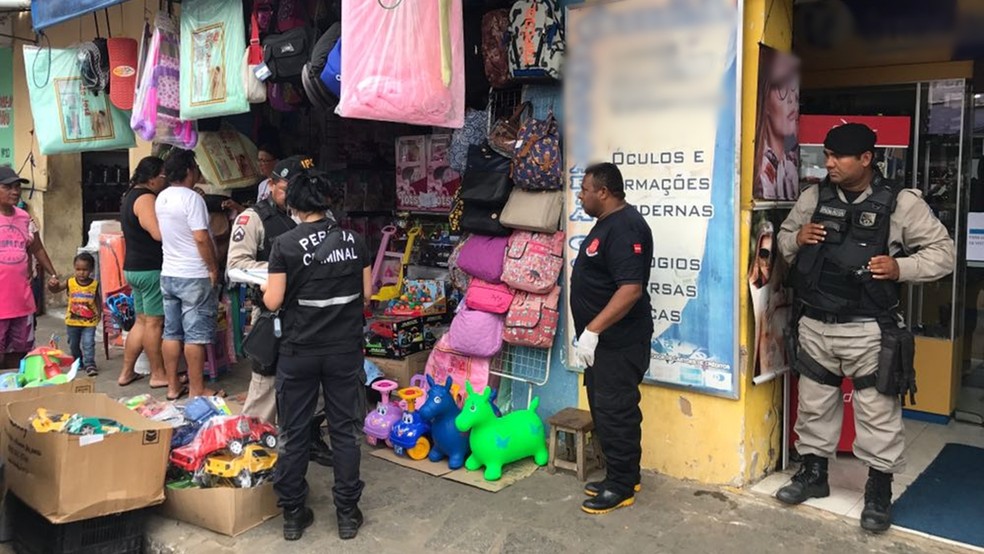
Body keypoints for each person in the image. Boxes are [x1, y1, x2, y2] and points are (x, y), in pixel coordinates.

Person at [775, 123, 955, 533]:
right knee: (814, 405)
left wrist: (900, 267)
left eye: (838, 156)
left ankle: (878, 492)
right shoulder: (813, 197)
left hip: (868, 328)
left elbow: (943, 254)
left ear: (867, 159)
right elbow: (783, 241)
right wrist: (798, 237)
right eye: (827, 154)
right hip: (816, 323)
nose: (829, 163)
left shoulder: (901, 204)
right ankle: (813, 475)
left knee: (878, 414)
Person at [263, 171, 371, 541]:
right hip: (344, 351)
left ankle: (293, 514)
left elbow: (273, 301)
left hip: (299, 352)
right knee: (344, 432)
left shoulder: (285, 244)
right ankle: (347, 513)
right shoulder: (356, 242)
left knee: (293, 432)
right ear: (328, 202)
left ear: (292, 204)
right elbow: (367, 294)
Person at [228, 155, 335, 467]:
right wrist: (279, 270)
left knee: (314, 386)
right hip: (273, 315)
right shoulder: (253, 219)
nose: (293, 194)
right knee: (266, 385)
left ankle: (310, 439)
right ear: (271, 184)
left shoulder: (317, 215)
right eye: (287, 187)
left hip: (314, 314)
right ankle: (249, 449)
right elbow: (235, 266)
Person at [569, 162, 654, 515]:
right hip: (604, 345)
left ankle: (621, 488)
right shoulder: (607, 225)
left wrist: (592, 330)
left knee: (616, 411)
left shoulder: (626, 227)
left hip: (619, 343)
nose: (581, 195)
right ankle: (623, 475)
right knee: (606, 410)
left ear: (603, 192)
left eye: (585, 189)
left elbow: (631, 289)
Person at [156, 150, 223, 400]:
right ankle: (197, 389)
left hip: (169, 272)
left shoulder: (161, 197)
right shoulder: (192, 198)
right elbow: (200, 237)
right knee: (195, 335)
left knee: (171, 332)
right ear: (187, 171)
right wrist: (213, 268)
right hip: (193, 274)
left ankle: (173, 387)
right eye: (194, 166)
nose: (196, 171)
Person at [118, 157, 169, 388]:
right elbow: (157, 233)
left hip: (134, 268)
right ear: (151, 178)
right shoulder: (146, 198)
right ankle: (158, 374)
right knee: (154, 324)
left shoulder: (129, 196)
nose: (165, 181)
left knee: (141, 321)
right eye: (163, 176)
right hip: (150, 269)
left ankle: (126, 372)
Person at [0, 166, 59, 368]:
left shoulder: (24, 218)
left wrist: (53, 273)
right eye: (8, 187)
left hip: (22, 302)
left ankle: (12, 394)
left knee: (19, 355)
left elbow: (37, 248)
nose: (15, 192)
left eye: (17, 187)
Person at [754, 50, 800, 201]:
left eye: (793, 89)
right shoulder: (760, 173)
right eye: (781, 90)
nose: (790, 100)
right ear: (765, 101)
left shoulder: (791, 164)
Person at [49, 253, 100, 375]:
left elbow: (97, 300)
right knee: (73, 344)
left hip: (89, 321)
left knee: (88, 343)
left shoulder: (94, 285)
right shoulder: (70, 282)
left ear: (91, 270)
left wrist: (100, 314)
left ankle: (90, 364)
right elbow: (56, 290)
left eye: (85, 270)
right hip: (72, 321)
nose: (81, 273)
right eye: (78, 269)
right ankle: (78, 361)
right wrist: (52, 285)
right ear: (74, 268)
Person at [222, 143, 281, 214]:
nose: (260, 164)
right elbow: (257, 214)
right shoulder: (262, 185)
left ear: (276, 162)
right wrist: (236, 207)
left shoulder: (281, 185)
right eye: (259, 160)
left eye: (264, 161)